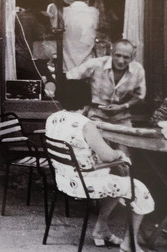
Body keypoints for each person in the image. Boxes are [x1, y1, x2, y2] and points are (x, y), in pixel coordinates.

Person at [45, 80, 154, 252]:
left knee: (118, 176)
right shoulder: (85, 124)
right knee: (138, 189)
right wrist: (121, 154)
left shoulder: (52, 119)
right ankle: (129, 243)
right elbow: (108, 155)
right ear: (87, 99)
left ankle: (101, 229)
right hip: (85, 183)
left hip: (64, 180)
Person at [66, 39, 145, 126]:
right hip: (96, 114)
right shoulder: (95, 64)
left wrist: (123, 106)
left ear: (133, 57)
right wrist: (83, 101)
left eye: (126, 57)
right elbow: (69, 77)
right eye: (117, 55)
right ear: (111, 53)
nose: (120, 61)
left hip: (122, 116)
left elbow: (139, 95)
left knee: (127, 138)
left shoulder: (138, 69)